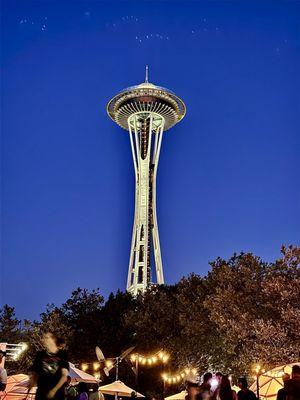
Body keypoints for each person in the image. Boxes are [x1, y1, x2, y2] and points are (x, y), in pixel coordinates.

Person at [29, 332, 69, 400]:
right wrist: (31, 383)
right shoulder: (40, 355)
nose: (44, 340)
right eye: (43, 338)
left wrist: (54, 390)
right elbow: (35, 374)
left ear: (53, 340)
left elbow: (64, 376)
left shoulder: (62, 354)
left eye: (47, 338)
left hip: (57, 394)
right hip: (41, 393)